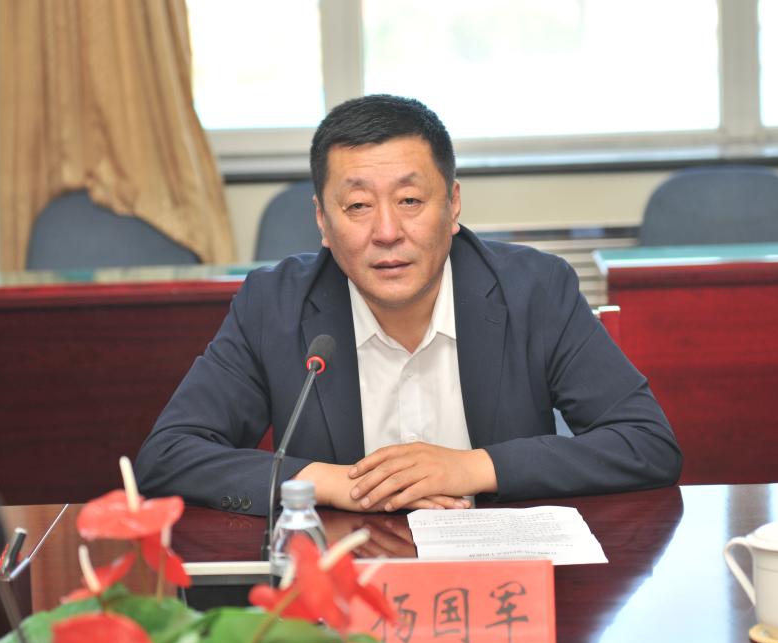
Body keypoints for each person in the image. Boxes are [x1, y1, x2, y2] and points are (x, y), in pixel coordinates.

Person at [135, 94, 681, 516]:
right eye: (357, 205)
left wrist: (473, 468)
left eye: (411, 200)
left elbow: (646, 443)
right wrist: (340, 484)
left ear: (453, 204)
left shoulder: (534, 290)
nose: (387, 232)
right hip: (345, 585)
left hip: (503, 580)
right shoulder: (273, 305)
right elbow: (167, 457)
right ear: (323, 221)